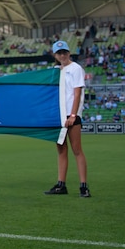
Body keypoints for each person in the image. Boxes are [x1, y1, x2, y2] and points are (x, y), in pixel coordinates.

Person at [44, 40, 91, 197]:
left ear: (69, 53)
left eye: (64, 52)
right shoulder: (55, 71)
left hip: (71, 115)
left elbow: (77, 93)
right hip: (59, 115)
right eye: (59, 53)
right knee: (61, 150)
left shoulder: (76, 69)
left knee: (77, 150)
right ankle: (61, 185)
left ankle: (83, 186)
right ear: (55, 55)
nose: (62, 55)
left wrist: (73, 115)